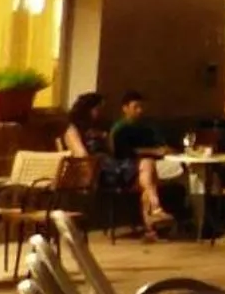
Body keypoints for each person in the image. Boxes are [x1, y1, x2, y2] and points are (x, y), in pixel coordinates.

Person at [64, 90, 174, 237]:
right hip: (98, 170)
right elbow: (82, 155)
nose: (100, 113)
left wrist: (106, 138)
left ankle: (154, 213)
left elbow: (113, 150)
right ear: (88, 109)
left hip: (112, 165)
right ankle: (153, 216)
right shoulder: (72, 129)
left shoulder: (98, 128)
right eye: (98, 109)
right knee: (147, 176)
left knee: (147, 170)